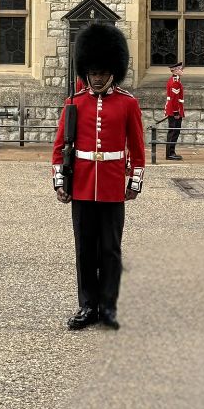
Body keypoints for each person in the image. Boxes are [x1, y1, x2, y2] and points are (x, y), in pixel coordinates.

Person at [52, 23, 145, 331]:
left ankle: (107, 305)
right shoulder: (74, 103)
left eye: (103, 73)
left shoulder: (128, 103)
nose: (97, 78)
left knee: (110, 249)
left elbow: (137, 145)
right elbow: (59, 146)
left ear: (112, 73)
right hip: (81, 184)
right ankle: (86, 305)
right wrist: (59, 179)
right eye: (93, 73)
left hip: (112, 184)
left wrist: (135, 179)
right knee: (84, 249)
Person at [164, 61, 185, 160]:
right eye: (180, 69)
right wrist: (176, 112)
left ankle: (171, 152)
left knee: (173, 132)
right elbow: (174, 99)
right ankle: (170, 153)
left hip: (173, 110)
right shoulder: (175, 82)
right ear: (175, 71)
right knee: (173, 132)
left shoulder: (176, 80)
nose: (182, 70)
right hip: (174, 111)